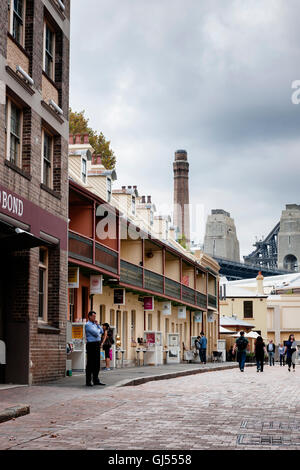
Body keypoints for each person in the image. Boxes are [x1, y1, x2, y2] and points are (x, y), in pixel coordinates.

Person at [85, 311, 105, 386]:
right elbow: (96, 333)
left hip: (97, 344)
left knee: (97, 363)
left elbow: (102, 331)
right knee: (90, 363)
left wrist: (98, 325)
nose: (95, 318)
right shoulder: (88, 325)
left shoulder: (95, 324)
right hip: (91, 345)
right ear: (89, 316)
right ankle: (88, 381)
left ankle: (96, 380)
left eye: (95, 317)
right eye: (93, 316)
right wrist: (98, 331)